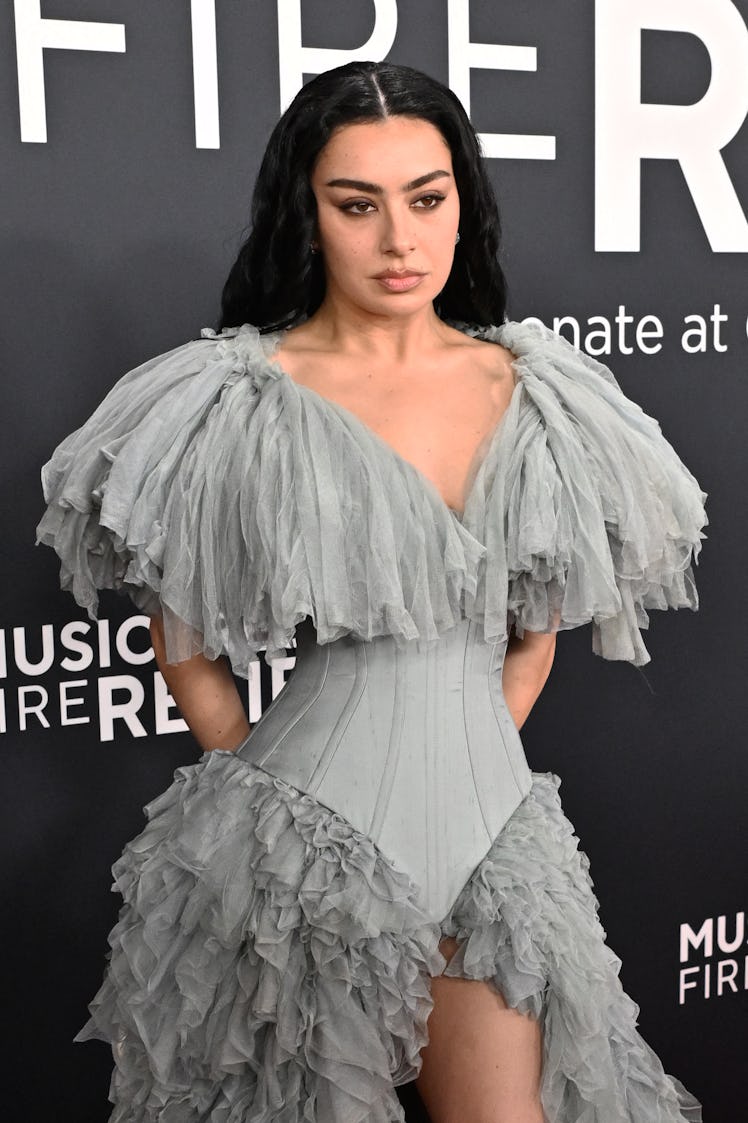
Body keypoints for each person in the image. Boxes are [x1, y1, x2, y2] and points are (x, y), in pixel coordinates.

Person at [36, 60, 707, 1123]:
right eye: (358, 204)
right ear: (308, 214)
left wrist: (470, 760)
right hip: (304, 847)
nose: (399, 239)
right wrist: (259, 808)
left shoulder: (537, 392)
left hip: (495, 843)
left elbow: (531, 642)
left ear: (461, 206)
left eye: (426, 199)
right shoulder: (240, 396)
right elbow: (186, 643)